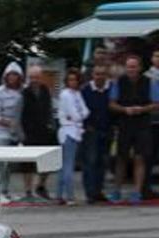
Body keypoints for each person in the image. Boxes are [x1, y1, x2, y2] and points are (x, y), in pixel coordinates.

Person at [109, 55, 159, 203]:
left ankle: (136, 192)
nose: (131, 69)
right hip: (125, 123)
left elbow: (156, 103)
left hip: (142, 124)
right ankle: (116, 190)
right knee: (121, 158)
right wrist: (125, 110)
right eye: (129, 66)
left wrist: (142, 109)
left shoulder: (150, 82)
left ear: (140, 67)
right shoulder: (119, 82)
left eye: (134, 66)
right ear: (126, 68)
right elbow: (111, 103)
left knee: (140, 158)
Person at [0, 61, 25, 203]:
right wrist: (8, 122)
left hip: (18, 134)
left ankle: (6, 191)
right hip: (3, 133)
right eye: (10, 75)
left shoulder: (23, 91)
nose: (13, 78)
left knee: (10, 165)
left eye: (16, 75)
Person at [21, 65, 55, 201]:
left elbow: (50, 109)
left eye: (37, 77)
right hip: (29, 131)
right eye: (32, 77)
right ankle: (28, 191)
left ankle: (41, 186)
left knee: (48, 161)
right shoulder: (24, 93)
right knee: (28, 164)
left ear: (41, 77)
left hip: (44, 131)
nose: (34, 80)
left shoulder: (46, 91)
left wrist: (51, 125)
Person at [57, 68, 90, 205]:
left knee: (65, 165)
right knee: (67, 165)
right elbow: (76, 114)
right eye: (70, 79)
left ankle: (60, 195)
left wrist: (78, 116)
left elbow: (86, 111)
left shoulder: (77, 94)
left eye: (75, 79)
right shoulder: (65, 94)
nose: (73, 82)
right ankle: (69, 196)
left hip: (75, 131)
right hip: (68, 132)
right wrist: (77, 116)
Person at [81, 64, 113, 203]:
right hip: (91, 131)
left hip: (107, 130)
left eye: (102, 74)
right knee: (90, 162)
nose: (100, 77)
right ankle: (90, 193)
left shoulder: (111, 89)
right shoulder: (85, 90)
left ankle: (99, 191)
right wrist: (86, 126)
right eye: (97, 74)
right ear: (92, 75)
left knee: (103, 162)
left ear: (106, 75)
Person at [145, 48, 159, 198]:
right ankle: (146, 187)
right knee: (149, 155)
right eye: (156, 56)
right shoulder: (147, 77)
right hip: (151, 121)